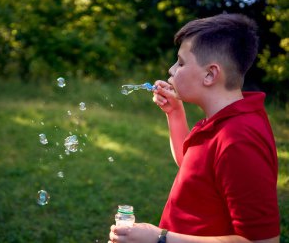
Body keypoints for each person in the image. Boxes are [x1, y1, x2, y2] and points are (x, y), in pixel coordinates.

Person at [108, 13, 280, 243]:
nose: (171, 69)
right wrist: (175, 114)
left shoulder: (238, 139)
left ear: (210, 74)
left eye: (180, 62)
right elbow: (192, 166)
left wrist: (160, 238)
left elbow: (261, 242)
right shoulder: (220, 120)